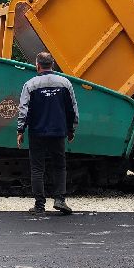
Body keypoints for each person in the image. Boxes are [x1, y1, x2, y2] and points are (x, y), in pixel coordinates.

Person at [15, 51, 79, 215]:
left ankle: (39, 205)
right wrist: (71, 129)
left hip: (37, 132)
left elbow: (24, 110)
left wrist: (20, 130)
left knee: (37, 168)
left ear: (37, 65)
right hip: (58, 132)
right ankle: (60, 199)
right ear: (52, 64)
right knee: (59, 166)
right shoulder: (65, 83)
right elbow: (72, 108)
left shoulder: (30, 85)